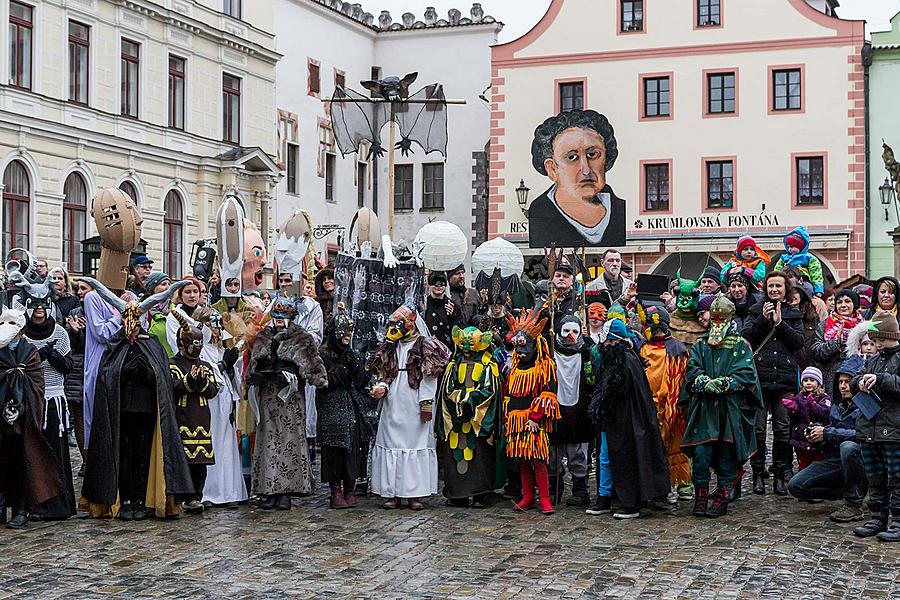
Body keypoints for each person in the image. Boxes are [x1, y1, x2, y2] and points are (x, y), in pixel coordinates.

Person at [79, 277, 193, 521]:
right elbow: (108, 375)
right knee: (124, 455)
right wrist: (125, 371)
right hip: (121, 411)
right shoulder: (116, 344)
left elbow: (162, 378)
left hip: (146, 411)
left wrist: (147, 371)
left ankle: (141, 500)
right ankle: (126, 500)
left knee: (143, 456)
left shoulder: (152, 344)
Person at [680, 295, 762, 518]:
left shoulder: (740, 345)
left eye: (721, 318)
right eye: (713, 318)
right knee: (701, 453)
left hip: (730, 410)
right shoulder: (700, 344)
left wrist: (727, 383)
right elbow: (692, 370)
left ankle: (722, 497)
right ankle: (700, 495)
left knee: (727, 453)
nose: (717, 322)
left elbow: (747, 375)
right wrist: (704, 382)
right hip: (704, 409)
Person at [246, 296, 327, 511]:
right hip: (268, 396)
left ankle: (287, 491)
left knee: (290, 440)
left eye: (285, 316)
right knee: (268, 441)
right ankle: (268, 489)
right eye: (278, 316)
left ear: (292, 317)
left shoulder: (301, 337)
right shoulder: (264, 336)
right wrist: (255, 376)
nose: (280, 320)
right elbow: (254, 364)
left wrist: (306, 376)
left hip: (291, 398)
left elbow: (314, 367)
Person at [369, 305, 449, 510]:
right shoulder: (390, 346)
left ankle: (414, 494)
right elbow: (384, 372)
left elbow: (430, 377)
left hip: (414, 399)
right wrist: (381, 387)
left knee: (415, 443)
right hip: (394, 400)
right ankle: (392, 492)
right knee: (391, 442)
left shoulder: (425, 346)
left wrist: (426, 401)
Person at [590, 318, 670, 519]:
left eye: (606, 339)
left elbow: (622, 391)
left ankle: (630, 502)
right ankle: (604, 497)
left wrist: (605, 400)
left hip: (626, 421)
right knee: (604, 458)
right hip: (611, 419)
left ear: (614, 340)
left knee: (625, 458)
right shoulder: (611, 358)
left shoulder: (627, 360)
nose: (602, 343)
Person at [0, 307, 64, 529]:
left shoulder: (29, 352)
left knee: (21, 464)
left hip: (22, 421)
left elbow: (36, 382)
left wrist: (20, 400)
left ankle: (21, 508)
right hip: (1, 419)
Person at [742, 271, 805, 496]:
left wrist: (780, 324)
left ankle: (779, 476)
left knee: (782, 429)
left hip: (785, 379)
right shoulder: (755, 310)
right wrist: (763, 319)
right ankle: (758, 474)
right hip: (759, 378)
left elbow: (799, 342)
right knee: (758, 429)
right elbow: (746, 337)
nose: (775, 290)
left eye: (779, 286)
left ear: (786, 290)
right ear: (765, 289)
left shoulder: (793, 313)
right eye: (771, 286)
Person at [528, 109, 626, 247]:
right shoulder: (540, 214)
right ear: (551, 169)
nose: (586, 170)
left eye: (592, 154)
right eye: (571, 157)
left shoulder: (620, 209)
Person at [787, 355, 867, 523]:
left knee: (848, 447)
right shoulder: (837, 407)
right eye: (841, 382)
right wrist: (816, 436)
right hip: (834, 461)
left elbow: (862, 435)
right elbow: (828, 434)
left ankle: (854, 503)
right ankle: (844, 492)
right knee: (795, 486)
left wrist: (827, 433)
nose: (844, 386)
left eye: (848, 381)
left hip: (860, 461)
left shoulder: (867, 405)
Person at [436, 325, 502, 508]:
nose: (466, 348)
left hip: (477, 419)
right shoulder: (454, 364)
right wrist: (458, 399)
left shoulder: (489, 365)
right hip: (457, 419)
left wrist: (471, 399)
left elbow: (490, 391)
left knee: (480, 455)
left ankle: (480, 493)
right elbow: (446, 389)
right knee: (457, 452)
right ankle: (458, 494)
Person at [316, 306, 375, 509]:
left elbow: (360, 381)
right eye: (343, 333)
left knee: (354, 449)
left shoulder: (352, 354)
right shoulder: (323, 356)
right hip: (332, 408)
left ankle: (350, 487)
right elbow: (324, 383)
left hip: (352, 408)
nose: (347, 337)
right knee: (335, 451)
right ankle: (335, 490)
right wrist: (341, 369)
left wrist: (356, 366)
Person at [504, 305, 560, 515]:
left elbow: (548, 393)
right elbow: (508, 394)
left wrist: (536, 417)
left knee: (538, 459)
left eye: (524, 346)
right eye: (517, 347)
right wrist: (506, 416)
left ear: (535, 345)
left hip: (533, 421)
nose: (520, 351)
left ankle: (544, 498)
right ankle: (527, 496)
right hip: (516, 420)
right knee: (522, 459)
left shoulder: (545, 366)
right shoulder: (515, 368)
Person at [851, 312, 900, 540]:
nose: (874, 344)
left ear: (888, 335)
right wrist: (859, 382)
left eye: (877, 339)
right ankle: (877, 518)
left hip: (894, 430)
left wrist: (881, 380)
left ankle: (898, 522)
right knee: (875, 477)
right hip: (869, 428)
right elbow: (853, 379)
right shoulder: (872, 359)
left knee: (896, 478)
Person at [168, 309, 219, 514]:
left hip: (201, 418)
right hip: (182, 418)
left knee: (200, 462)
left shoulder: (205, 366)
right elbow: (173, 388)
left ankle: (197, 496)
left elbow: (212, 390)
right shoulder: (173, 364)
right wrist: (190, 380)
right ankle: (183, 495)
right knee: (184, 460)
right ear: (182, 344)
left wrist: (202, 381)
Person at [639, 305, 691, 502]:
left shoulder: (677, 348)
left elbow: (681, 378)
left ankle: (683, 483)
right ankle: (659, 487)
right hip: (648, 406)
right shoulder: (642, 347)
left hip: (671, 405)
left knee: (675, 443)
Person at [548, 315, 595, 507]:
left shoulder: (586, 353)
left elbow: (591, 380)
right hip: (555, 409)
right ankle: (554, 488)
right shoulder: (551, 352)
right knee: (553, 453)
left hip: (578, 410)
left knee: (577, 453)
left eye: (575, 331)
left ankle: (580, 490)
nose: (570, 335)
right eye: (566, 331)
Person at [812, 290, 862, 395]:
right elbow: (816, 351)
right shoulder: (824, 325)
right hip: (831, 379)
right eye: (839, 302)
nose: (843, 305)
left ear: (855, 304)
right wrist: (836, 343)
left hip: (855, 377)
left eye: (847, 301)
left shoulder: (863, 326)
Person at [783, 367, 831, 472]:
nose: (808, 383)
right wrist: (793, 409)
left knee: (818, 463)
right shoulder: (799, 397)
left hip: (817, 440)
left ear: (819, 383)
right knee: (803, 464)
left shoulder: (824, 398)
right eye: (805, 380)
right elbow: (795, 417)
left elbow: (824, 413)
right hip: (801, 438)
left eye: (812, 380)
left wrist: (813, 405)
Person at [773, 226, 824, 295]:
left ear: (800, 247)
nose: (789, 249)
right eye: (788, 247)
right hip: (786, 280)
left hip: (804, 281)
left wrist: (818, 289)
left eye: (792, 247)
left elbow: (816, 274)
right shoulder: (784, 258)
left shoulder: (809, 258)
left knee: (809, 288)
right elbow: (777, 270)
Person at [791, 281, 821, 371]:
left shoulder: (812, 316)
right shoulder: (780, 316)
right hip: (789, 365)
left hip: (809, 365)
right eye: (789, 292)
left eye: (795, 292)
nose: (792, 295)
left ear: (801, 295)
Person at [423, 272, 458, 348]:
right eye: (434, 282)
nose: (438, 286)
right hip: (429, 350)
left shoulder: (452, 305)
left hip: (448, 350)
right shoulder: (424, 305)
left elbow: (460, 329)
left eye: (442, 283)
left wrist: (453, 316)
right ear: (429, 285)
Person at [726, 269, 757, 333]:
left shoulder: (756, 304)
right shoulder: (725, 306)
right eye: (733, 286)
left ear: (746, 287)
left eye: (740, 286)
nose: (736, 290)